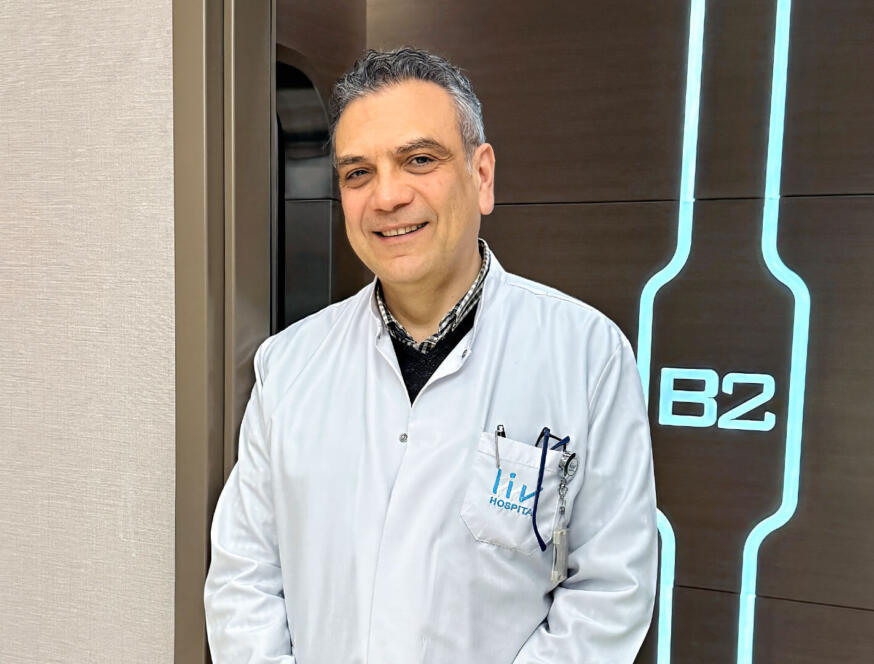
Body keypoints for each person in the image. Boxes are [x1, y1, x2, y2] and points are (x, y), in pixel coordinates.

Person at [204, 46, 658, 663]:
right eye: (357, 173)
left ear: (482, 175)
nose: (387, 196)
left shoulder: (586, 354)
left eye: (419, 160)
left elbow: (609, 592)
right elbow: (244, 577)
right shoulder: (288, 366)